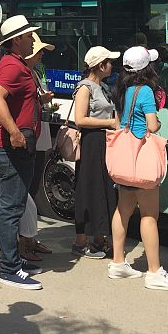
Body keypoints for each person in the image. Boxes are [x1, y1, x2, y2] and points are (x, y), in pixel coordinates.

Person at [109, 46, 168, 291]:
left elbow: (120, 123)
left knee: (123, 210)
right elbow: (152, 125)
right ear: (146, 68)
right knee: (149, 215)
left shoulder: (121, 91)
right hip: (142, 161)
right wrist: (158, 121)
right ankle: (154, 272)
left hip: (125, 161)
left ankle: (118, 262)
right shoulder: (146, 92)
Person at [0, 15, 44, 289]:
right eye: (29, 35)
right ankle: (9, 268)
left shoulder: (14, 64)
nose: (33, 38)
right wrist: (14, 132)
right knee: (11, 207)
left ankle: (13, 261)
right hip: (13, 147)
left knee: (14, 205)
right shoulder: (12, 66)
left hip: (16, 145)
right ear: (17, 39)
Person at [72, 46, 120, 258]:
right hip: (92, 142)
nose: (112, 65)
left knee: (103, 188)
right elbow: (80, 119)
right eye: (110, 61)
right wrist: (110, 122)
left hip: (103, 141)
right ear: (101, 65)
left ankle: (99, 237)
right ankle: (85, 239)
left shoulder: (103, 87)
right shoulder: (86, 88)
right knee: (90, 187)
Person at [20, 33, 56, 262]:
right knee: (27, 192)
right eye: (40, 50)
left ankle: (30, 239)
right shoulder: (26, 73)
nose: (42, 53)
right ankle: (23, 242)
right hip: (32, 135)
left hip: (39, 135)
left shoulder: (35, 73)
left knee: (32, 192)